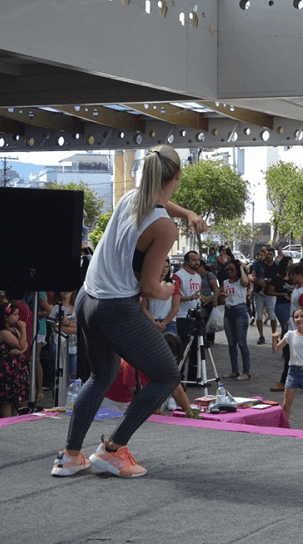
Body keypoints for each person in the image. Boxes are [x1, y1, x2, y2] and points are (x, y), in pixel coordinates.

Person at [52, 145, 207, 478]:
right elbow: (151, 288)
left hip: (87, 299)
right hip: (116, 309)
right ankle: (112, 449)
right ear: (178, 175)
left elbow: (162, 202)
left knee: (101, 376)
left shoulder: (129, 198)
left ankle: (69, 455)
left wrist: (189, 213)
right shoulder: (164, 228)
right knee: (167, 376)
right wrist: (170, 289)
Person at [0, 302, 29, 418]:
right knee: (7, 399)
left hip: (16, 369)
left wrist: (20, 351)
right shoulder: (4, 333)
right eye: (15, 314)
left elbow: (24, 345)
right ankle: (5, 424)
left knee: (17, 397)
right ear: (6, 317)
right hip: (7, 370)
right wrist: (23, 329)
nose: (18, 317)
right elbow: (21, 345)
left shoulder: (13, 330)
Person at [221, 259, 251, 381]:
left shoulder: (241, 282)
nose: (230, 271)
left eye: (232, 269)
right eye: (229, 269)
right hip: (228, 311)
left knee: (242, 343)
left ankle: (246, 372)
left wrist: (242, 268)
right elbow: (223, 299)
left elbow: (245, 281)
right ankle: (234, 370)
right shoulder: (225, 282)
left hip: (240, 311)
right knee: (231, 344)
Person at [268, 256, 295, 393]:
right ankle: (285, 349)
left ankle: (286, 348)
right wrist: (282, 293)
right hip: (281, 304)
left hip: (291, 305)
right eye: (289, 264)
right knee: (286, 327)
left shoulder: (293, 278)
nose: (290, 266)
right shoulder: (277, 278)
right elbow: (269, 291)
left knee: (289, 327)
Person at [141, 260, 179, 334]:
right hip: (152, 322)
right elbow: (144, 307)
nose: (164, 269)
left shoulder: (174, 284)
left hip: (169, 323)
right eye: (162, 266)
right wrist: (154, 322)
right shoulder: (148, 284)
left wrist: (163, 324)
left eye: (167, 267)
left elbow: (176, 307)